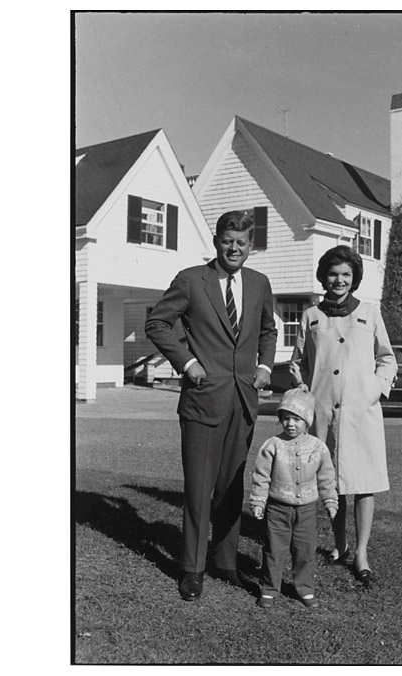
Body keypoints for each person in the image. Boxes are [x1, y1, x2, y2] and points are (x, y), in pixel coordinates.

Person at [145, 210, 278, 601]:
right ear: (216, 241)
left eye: (241, 243)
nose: (233, 248)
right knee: (199, 488)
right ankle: (192, 568)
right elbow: (158, 323)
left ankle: (224, 561)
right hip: (203, 400)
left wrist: (266, 366)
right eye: (227, 241)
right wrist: (187, 363)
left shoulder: (259, 283)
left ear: (250, 247)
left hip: (243, 401)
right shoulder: (191, 280)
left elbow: (269, 329)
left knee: (230, 488)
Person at [290, 245, 397, 589]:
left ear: (354, 279)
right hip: (323, 411)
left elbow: (387, 358)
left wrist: (374, 390)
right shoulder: (311, 316)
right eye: (334, 274)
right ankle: (339, 546)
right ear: (324, 276)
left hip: (360, 412)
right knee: (330, 482)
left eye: (346, 275)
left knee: (364, 484)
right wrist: (304, 390)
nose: (339, 280)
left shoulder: (369, 312)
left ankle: (361, 554)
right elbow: (300, 363)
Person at [249, 386, 338, 609]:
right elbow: (261, 476)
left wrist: (330, 500)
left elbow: (327, 477)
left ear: (307, 421)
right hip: (277, 508)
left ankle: (305, 588)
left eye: (296, 419)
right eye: (286, 418)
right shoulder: (273, 446)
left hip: (307, 511)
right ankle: (270, 588)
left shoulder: (318, 448)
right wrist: (259, 501)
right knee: (274, 550)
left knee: (305, 551)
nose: (290, 423)